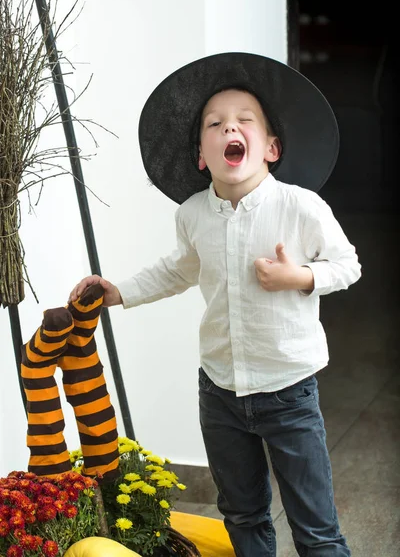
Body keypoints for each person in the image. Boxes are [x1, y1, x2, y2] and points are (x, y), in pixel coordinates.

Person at [69, 53, 361, 557]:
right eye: (215, 123)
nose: (230, 126)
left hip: (288, 390)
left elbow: (348, 265)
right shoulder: (193, 214)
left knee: (314, 525)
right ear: (203, 154)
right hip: (220, 391)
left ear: (270, 147)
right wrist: (120, 291)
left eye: (244, 120)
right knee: (242, 513)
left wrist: (301, 276)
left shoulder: (300, 207)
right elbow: (180, 268)